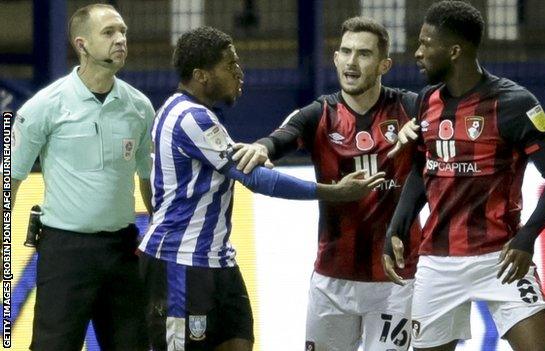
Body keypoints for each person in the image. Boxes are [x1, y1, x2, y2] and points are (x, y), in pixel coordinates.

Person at [137, 26, 384, 351]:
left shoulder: (194, 115)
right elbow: (256, 179)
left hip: (218, 262)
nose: (240, 72)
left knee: (239, 343)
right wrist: (335, 192)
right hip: (180, 264)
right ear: (202, 76)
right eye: (230, 65)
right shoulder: (189, 117)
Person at [384, 1, 545, 350]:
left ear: (455, 50)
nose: (417, 52)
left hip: (500, 259)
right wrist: (397, 226)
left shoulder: (514, 103)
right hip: (437, 264)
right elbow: (422, 170)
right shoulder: (426, 101)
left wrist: (527, 237)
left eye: (426, 43)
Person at [232, 17, 422, 351]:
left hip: (396, 281)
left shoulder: (409, 108)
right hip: (332, 280)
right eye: (345, 52)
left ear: (384, 65)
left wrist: (426, 131)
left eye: (363, 54)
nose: (351, 61)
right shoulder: (318, 114)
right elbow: (281, 137)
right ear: (335, 58)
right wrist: (261, 147)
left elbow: (451, 121)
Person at [10, 4, 153, 350]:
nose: (120, 40)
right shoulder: (44, 106)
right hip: (65, 251)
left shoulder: (140, 107)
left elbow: (149, 182)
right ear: (81, 44)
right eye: (108, 33)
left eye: (123, 32)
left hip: (123, 250)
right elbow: (10, 179)